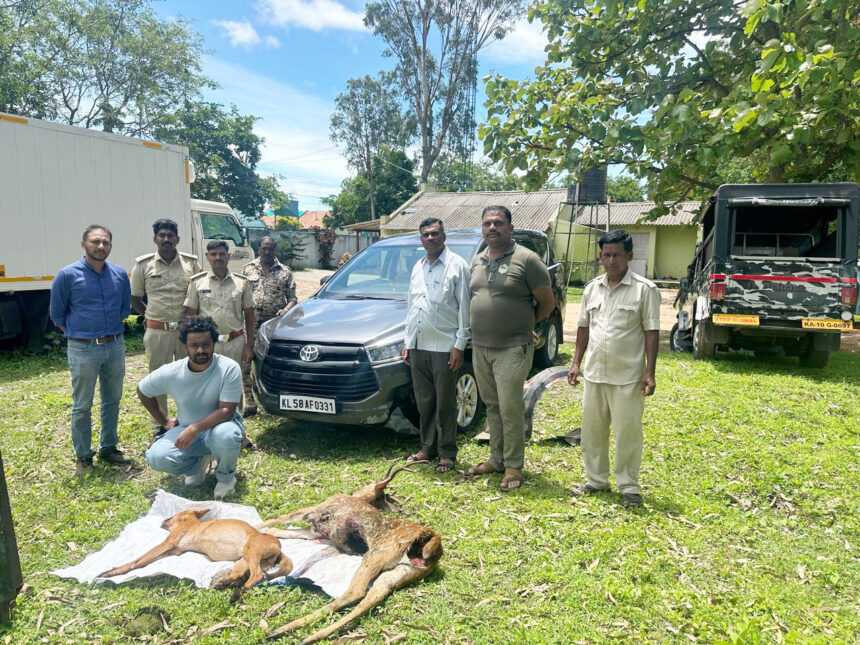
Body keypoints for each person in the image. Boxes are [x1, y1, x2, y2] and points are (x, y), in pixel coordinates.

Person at [567, 229, 660, 508]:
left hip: (628, 376)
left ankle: (629, 486)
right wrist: (575, 362)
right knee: (593, 432)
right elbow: (583, 327)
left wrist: (650, 371)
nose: (611, 260)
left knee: (627, 433)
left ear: (629, 255)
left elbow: (651, 331)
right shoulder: (591, 288)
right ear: (600, 256)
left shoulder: (645, 290)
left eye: (617, 254)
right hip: (595, 373)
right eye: (606, 255)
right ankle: (596, 480)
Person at [466, 206, 555, 491]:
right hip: (481, 346)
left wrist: (524, 325)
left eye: (498, 223)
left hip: (512, 348)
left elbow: (547, 304)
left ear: (510, 227)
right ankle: (497, 458)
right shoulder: (478, 261)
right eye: (487, 223)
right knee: (492, 406)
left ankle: (514, 466)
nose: (492, 228)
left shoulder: (528, 260)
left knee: (510, 407)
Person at [49, 225, 131, 477]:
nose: (101, 246)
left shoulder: (118, 274)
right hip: (83, 348)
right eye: (95, 241)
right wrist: (81, 333)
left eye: (106, 242)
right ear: (83, 244)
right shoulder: (67, 275)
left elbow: (124, 310)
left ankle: (108, 447)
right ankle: (84, 457)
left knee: (112, 399)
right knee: (82, 405)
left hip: (114, 345)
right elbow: (57, 315)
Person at [141, 315, 244, 499]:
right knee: (156, 457)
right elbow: (143, 390)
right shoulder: (173, 371)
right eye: (194, 345)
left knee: (226, 436)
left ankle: (226, 478)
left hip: (221, 426)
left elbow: (227, 410)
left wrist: (194, 428)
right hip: (187, 428)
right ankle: (196, 465)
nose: (200, 350)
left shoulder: (229, 368)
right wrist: (164, 420)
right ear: (185, 345)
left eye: (206, 344)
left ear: (214, 343)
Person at [401, 218, 471, 473]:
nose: (430, 238)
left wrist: (459, 345)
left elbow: (465, 307)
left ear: (444, 236)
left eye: (434, 234)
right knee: (425, 400)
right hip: (419, 344)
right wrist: (408, 341)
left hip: (444, 346)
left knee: (445, 403)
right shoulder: (418, 267)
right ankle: (427, 448)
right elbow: (412, 306)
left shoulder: (458, 266)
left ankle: (447, 453)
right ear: (421, 240)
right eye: (425, 235)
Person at [130, 219, 201, 432]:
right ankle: (160, 425)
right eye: (162, 236)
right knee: (157, 378)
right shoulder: (143, 265)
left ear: (177, 239)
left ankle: (187, 420)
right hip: (157, 332)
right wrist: (150, 318)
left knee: (188, 375)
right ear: (155, 239)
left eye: (171, 236)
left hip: (184, 332)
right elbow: (135, 298)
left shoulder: (191, 263)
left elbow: (198, 295)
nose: (166, 239)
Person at [240, 236, 297, 417]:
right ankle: (249, 403)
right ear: (258, 248)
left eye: (270, 249)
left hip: (273, 325)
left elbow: (293, 298)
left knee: (270, 363)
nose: (267, 252)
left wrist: (285, 310)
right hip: (251, 324)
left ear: (275, 249)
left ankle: (274, 401)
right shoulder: (248, 269)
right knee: (246, 364)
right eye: (264, 248)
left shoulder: (285, 272)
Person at [184, 240, 254, 371]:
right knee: (207, 383)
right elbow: (191, 317)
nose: (218, 258)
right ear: (207, 257)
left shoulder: (242, 283)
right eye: (213, 254)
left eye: (222, 254)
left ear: (229, 256)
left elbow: (250, 316)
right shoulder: (197, 283)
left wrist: (249, 346)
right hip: (207, 344)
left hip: (235, 343)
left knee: (233, 382)